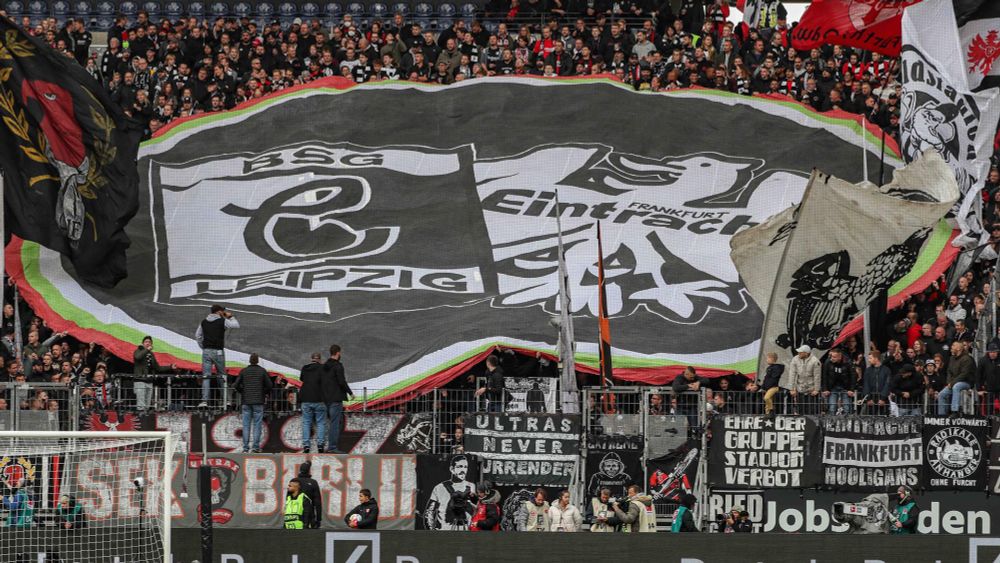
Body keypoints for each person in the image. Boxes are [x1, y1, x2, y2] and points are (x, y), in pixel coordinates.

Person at [194, 304, 239, 408]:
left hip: (206, 351)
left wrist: (204, 347)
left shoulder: (203, 322)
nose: (224, 312)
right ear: (219, 312)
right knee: (222, 375)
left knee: (206, 376)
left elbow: (198, 336)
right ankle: (226, 401)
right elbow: (236, 325)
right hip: (218, 351)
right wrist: (230, 317)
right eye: (223, 311)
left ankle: (204, 401)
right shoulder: (223, 321)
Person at [424, 454, 476, 530]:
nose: (463, 470)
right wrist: (431, 530)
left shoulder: (471, 486)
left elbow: (476, 510)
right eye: (460, 466)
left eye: (465, 467)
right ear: (452, 469)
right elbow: (429, 512)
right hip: (445, 530)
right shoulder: (439, 487)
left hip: (465, 530)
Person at [235, 353, 272, 453]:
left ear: (250, 360)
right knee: (257, 425)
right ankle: (255, 447)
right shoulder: (262, 371)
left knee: (246, 425)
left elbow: (236, 385)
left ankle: (245, 448)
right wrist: (263, 392)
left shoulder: (244, 371)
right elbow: (270, 385)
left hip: (246, 401)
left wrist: (242, 391)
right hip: (258, 401)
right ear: (257, 361)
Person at [132, 335, 176, 412]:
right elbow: (138, 357)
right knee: (141, 404)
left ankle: (145, 417)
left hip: (149, 380)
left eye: (149, 342)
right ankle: (141, 417)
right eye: (146, 342)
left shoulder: (151, 354)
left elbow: (158, 368)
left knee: (147, 404)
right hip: (140, 380)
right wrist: (146, 350)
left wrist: (170, 367)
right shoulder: (138, 351)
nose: (148, 343)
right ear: (142, 343)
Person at [324, 344, 354, 454]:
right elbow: (341, 381)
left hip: (326, 399)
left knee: (330, 423)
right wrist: (350, 393)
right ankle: (332, 447)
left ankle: (326, 446)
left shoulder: (324, 366)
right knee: (335, 424)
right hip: (336, 399)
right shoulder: (338, 366)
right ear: (338, 353)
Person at [299, 352, 328, 453]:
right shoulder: (323, 368)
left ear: (311, 359)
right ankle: (320, 446)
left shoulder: (305, 368)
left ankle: (306, 446)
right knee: (320, 423)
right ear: (319, 359)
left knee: (306, 422)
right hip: (319, 399)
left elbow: (302, 378)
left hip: (306, 399)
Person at [939, 341, 975, 417]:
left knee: (957, 386)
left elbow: (964, 374)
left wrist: (952, 383)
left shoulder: (967, 359)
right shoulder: (952, 358)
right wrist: (949, 382)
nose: (951, 347)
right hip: (953, 382)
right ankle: (941, 415)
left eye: (953, 346)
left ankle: (955, 411)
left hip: (966, 382)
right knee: (941, 394)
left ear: (959, 348)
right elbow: (949, 371)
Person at [786, 345, 822, 415]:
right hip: (800, 388)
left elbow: (817, 376)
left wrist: (816, 389)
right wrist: (791, 389)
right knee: (800, 410)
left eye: (800, 352)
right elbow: (792, 374)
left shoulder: (815, 361)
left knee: (812, 410)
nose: (798, 353)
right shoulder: (795, 359)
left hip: (811, 390)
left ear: (806, 353)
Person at [821, 348, 855, 415]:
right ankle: (831, 421)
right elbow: (824, 376)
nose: (832, 358)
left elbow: (853, 376)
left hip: (846, 387)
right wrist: (825, 389)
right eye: (831, 356)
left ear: (840, 356)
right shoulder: (828, 362)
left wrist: (851, 389)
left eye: (834, 357)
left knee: (847, 408)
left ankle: (847, 421)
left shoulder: (848, 362)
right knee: (832, 407)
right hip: (832, 387)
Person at [296, 461, 323, 529]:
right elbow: (318, 502)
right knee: (309, 534)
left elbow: (288, 500)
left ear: (300, 470)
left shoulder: (293, 481)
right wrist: (318, 519)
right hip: (308, 516)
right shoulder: (313, 482)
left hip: (294, 515)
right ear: (309, 471)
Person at [760, 352, 783, 418]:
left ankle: (771, 410)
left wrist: (767, 386)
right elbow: (766, 379)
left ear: (772, 358)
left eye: (767, 358)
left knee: (766, 398)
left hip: (774, 387)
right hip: (769, 387)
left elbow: (773, 379)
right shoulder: (769, 368)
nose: (766, 360)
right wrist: (763, 387)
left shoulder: (776, 368)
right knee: (768, 400)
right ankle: (767, 413)